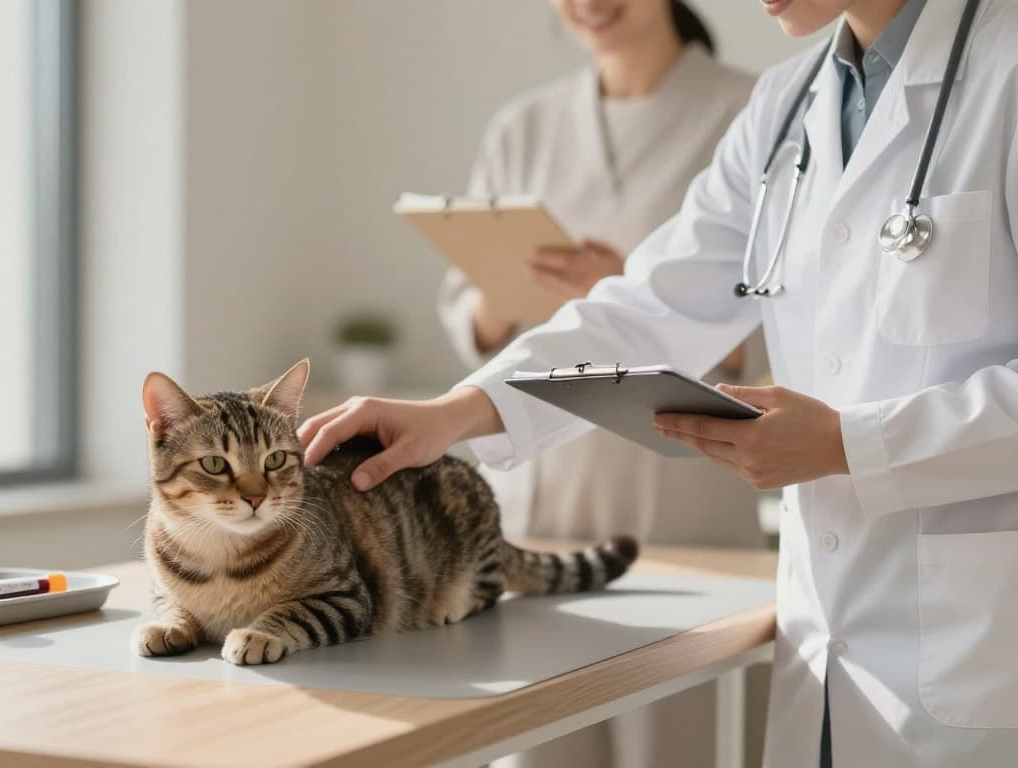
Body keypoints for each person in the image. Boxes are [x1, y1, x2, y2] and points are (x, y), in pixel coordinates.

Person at [301, 0, 1018, 765]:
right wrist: (457, 411)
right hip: (829, 641)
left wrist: (850, 444)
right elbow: (648, 307)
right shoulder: (786, 106)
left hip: (979, 644)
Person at [436, 1, 768, 765]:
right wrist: (499, 293)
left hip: (683, 499)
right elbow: (470, 315)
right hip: (545, 500)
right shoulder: (525, 126)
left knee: (685, 741)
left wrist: (619, 288)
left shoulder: (752, 110)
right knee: (541, 745)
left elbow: (770, 315)